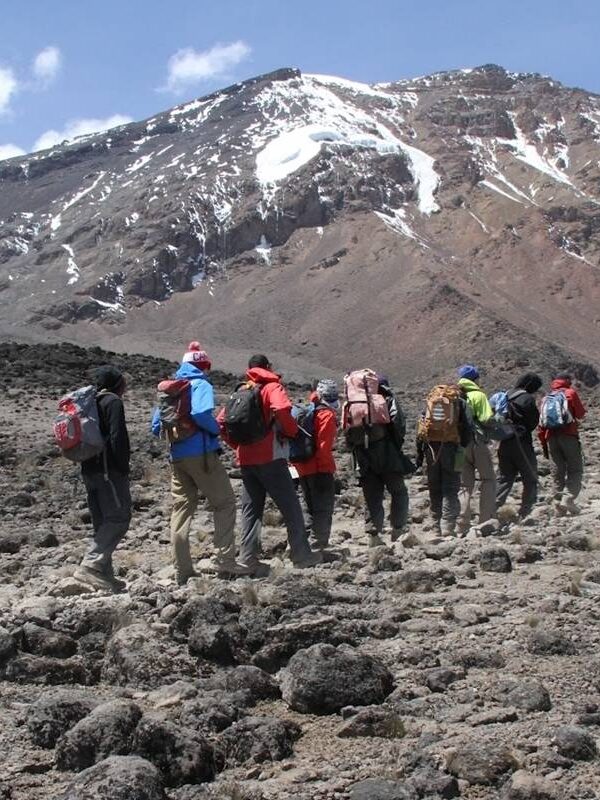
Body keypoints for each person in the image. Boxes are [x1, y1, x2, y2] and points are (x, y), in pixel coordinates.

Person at [151, 343, 249, 585]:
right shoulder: (201, 384)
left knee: (182, 510)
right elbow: (201, 414)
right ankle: (225, 561)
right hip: (202, 455)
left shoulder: (170, 390)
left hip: (177, 456)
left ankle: (182, 569)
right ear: (203, 366)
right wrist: (216, 429)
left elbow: (155, 427)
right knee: (224, 503)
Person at [217, 355, 322, 571]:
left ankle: (248, 558)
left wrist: (236, 446)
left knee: (250, 510)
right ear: (268, 367)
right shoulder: (272, 387)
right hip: (271, 458)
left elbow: (220, 422)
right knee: (291, 507)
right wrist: (292, 431)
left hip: (246, 460)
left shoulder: (241, 391)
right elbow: (283, 409)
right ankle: (301, 555)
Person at [74, 365, 131, 592]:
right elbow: (118, 437)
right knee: (119, 517)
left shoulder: (90, 403)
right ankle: (90, 565)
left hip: (89, 469)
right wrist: (123, 467)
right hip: (109, 471)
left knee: (101, 522)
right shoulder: (112, 402)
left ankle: (104, 575)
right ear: (117, 383)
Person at [346, 375, 412, 547]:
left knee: (372, 496)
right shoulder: (388, 400)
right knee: (398, 491)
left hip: (363, 455)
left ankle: (373, 535)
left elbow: (347, 434)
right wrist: (395, 446)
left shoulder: (354, 405)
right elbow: (399, 424)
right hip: (387, 453)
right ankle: (398, 530)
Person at [416, 384, 472, 537]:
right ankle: (447, 526)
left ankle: (435, 526)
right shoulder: (460, 402)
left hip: (430, 449)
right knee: (451, 487)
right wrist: (463, 444)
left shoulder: (431, 401)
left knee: (434, 488)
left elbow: (421, 428)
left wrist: (419, 456)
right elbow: (468, 426)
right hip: (451, 448)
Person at [291, 379, 339, 549]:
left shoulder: (303, 411)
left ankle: (301, 544)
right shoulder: (326, 415)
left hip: (301, 467)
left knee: (308, 507)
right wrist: (328, 470)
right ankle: (318, 545)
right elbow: (323, 448)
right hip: (319, 468)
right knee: (323, 508)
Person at [495, 373, 543, 519]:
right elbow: (533, 421)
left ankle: (492, 507)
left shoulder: (505, 395)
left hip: (504, 441)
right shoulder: (527, 398)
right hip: (521, 442)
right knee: (530, 476)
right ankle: (526, 511)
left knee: (505, 477)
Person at [539, 372, 586, 513]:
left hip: (551, 438)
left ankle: (557, 503)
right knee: (575, 468)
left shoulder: (546, 398)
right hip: (568, 435)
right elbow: (580, 414)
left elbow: (541, 425)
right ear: (567, 380)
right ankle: (568, 498)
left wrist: (544, 445)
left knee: (557, 471)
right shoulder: (570, 393)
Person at [456, 365, 497, 531]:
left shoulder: (455, 395)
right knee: (488, 479)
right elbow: (486, 419)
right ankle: (485, 520)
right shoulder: (478, 395)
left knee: (464, 485)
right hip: (476, 441)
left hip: (458, 446)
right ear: (475, 379)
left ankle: (461, 524)